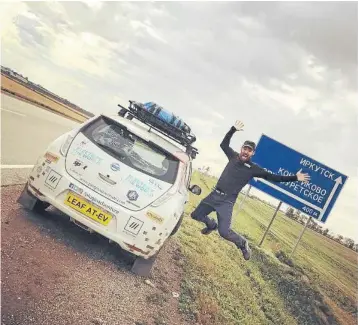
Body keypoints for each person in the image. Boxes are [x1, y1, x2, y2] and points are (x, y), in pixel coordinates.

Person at [191, 120, 310, 260]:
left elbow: (274, 177)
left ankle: (242, 243)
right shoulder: (233, 156)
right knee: (195, 215)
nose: (246, 151)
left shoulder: (254, 169)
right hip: (214, 195)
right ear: (241, 149)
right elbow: (223, 144)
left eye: (249, 150)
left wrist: (295, 177)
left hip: (226, 202)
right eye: (244, 148)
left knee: (224, 232)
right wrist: (233, 129)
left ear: (252, 153)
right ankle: (211, 225)